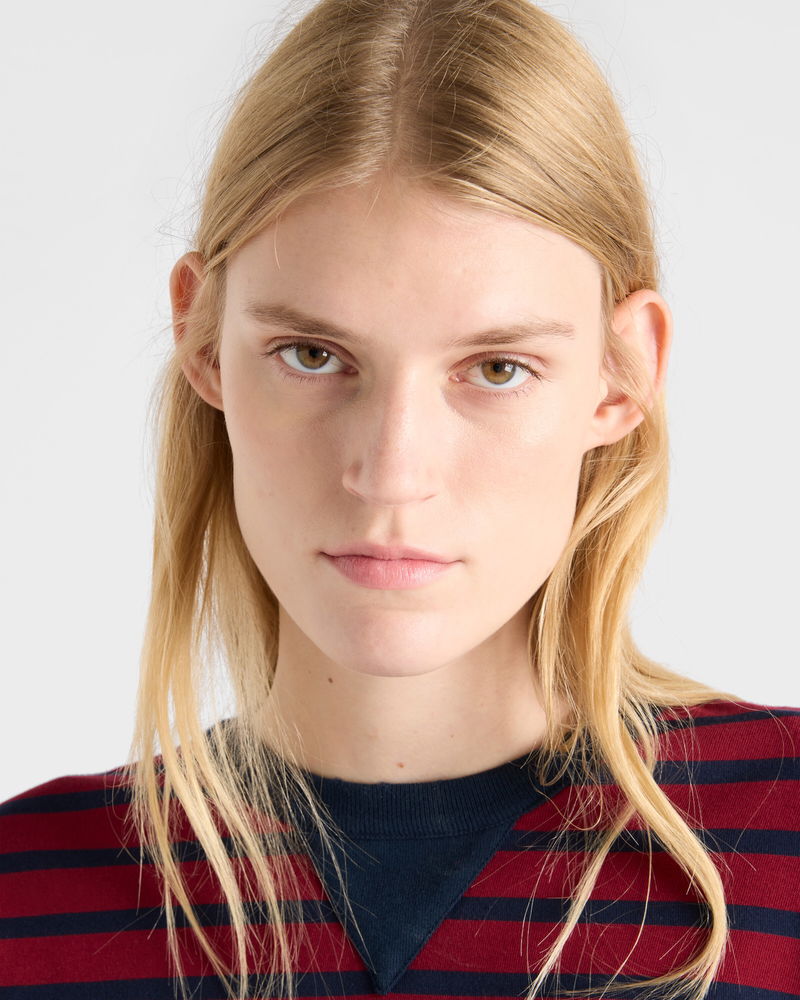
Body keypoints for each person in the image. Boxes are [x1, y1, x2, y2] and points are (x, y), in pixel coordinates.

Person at [1, 1, 798, 998]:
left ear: (621, 373)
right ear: (201, 339)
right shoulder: (22, 899)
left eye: (497, 368)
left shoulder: (782, 831)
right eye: (311, 354)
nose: (390, 472)